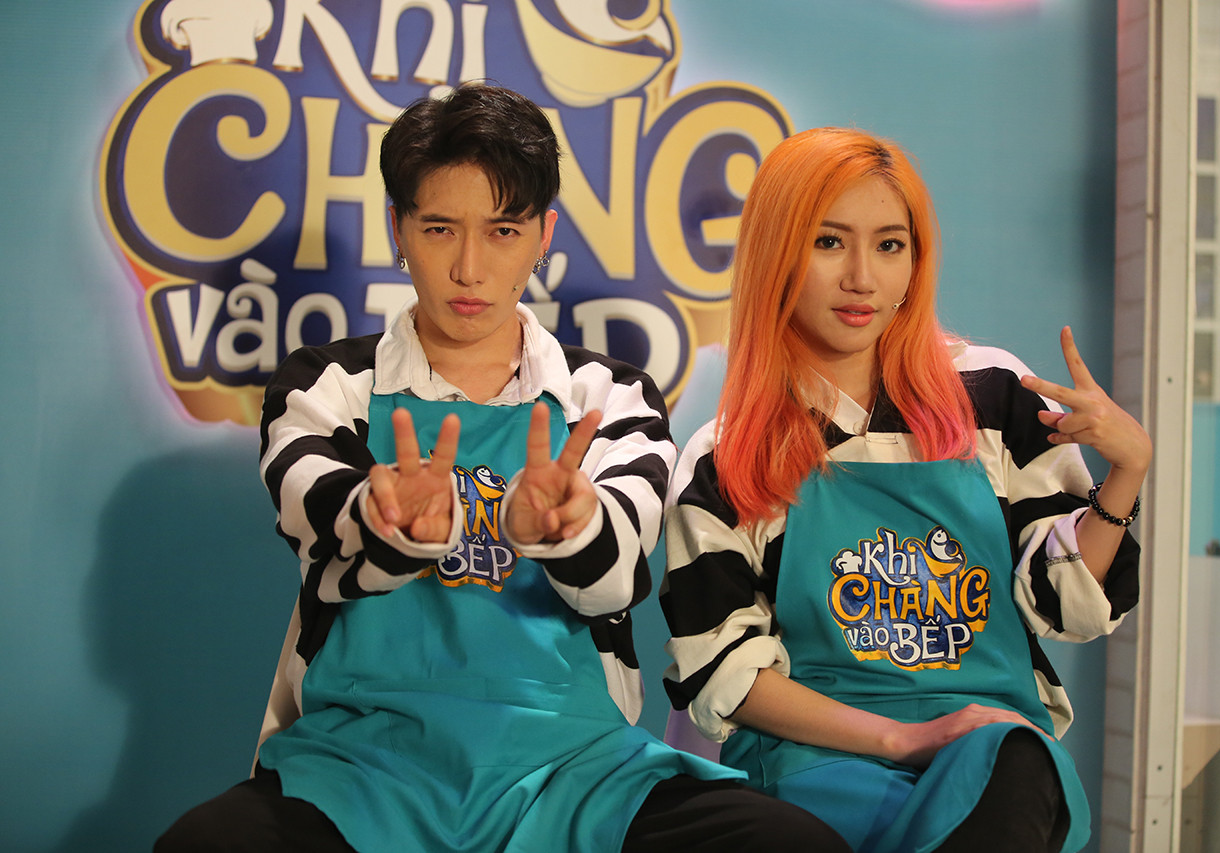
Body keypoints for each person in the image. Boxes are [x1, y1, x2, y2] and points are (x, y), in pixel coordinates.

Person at [155, 83, 851, 853]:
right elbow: (325, 534)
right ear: (398, 227)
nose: (469, 267)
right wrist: (390, 521)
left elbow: (616, 573)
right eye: (439, 228)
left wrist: (568, 526)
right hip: (363, 761)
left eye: (503, 230)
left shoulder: (609, 396)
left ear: (544, 233)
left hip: (575, 767)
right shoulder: (326, 388)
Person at [660, 127, 1149, 853]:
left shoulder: (993, 395)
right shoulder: (725, 455)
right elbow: (722, 670)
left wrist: (1127, 473)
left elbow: (1065, 607)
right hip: (815, 766)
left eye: (890, 245)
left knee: (1016, 759)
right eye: (829, 242)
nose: (863, 277)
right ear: (775, 253)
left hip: (992, 758)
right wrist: (904, 736)